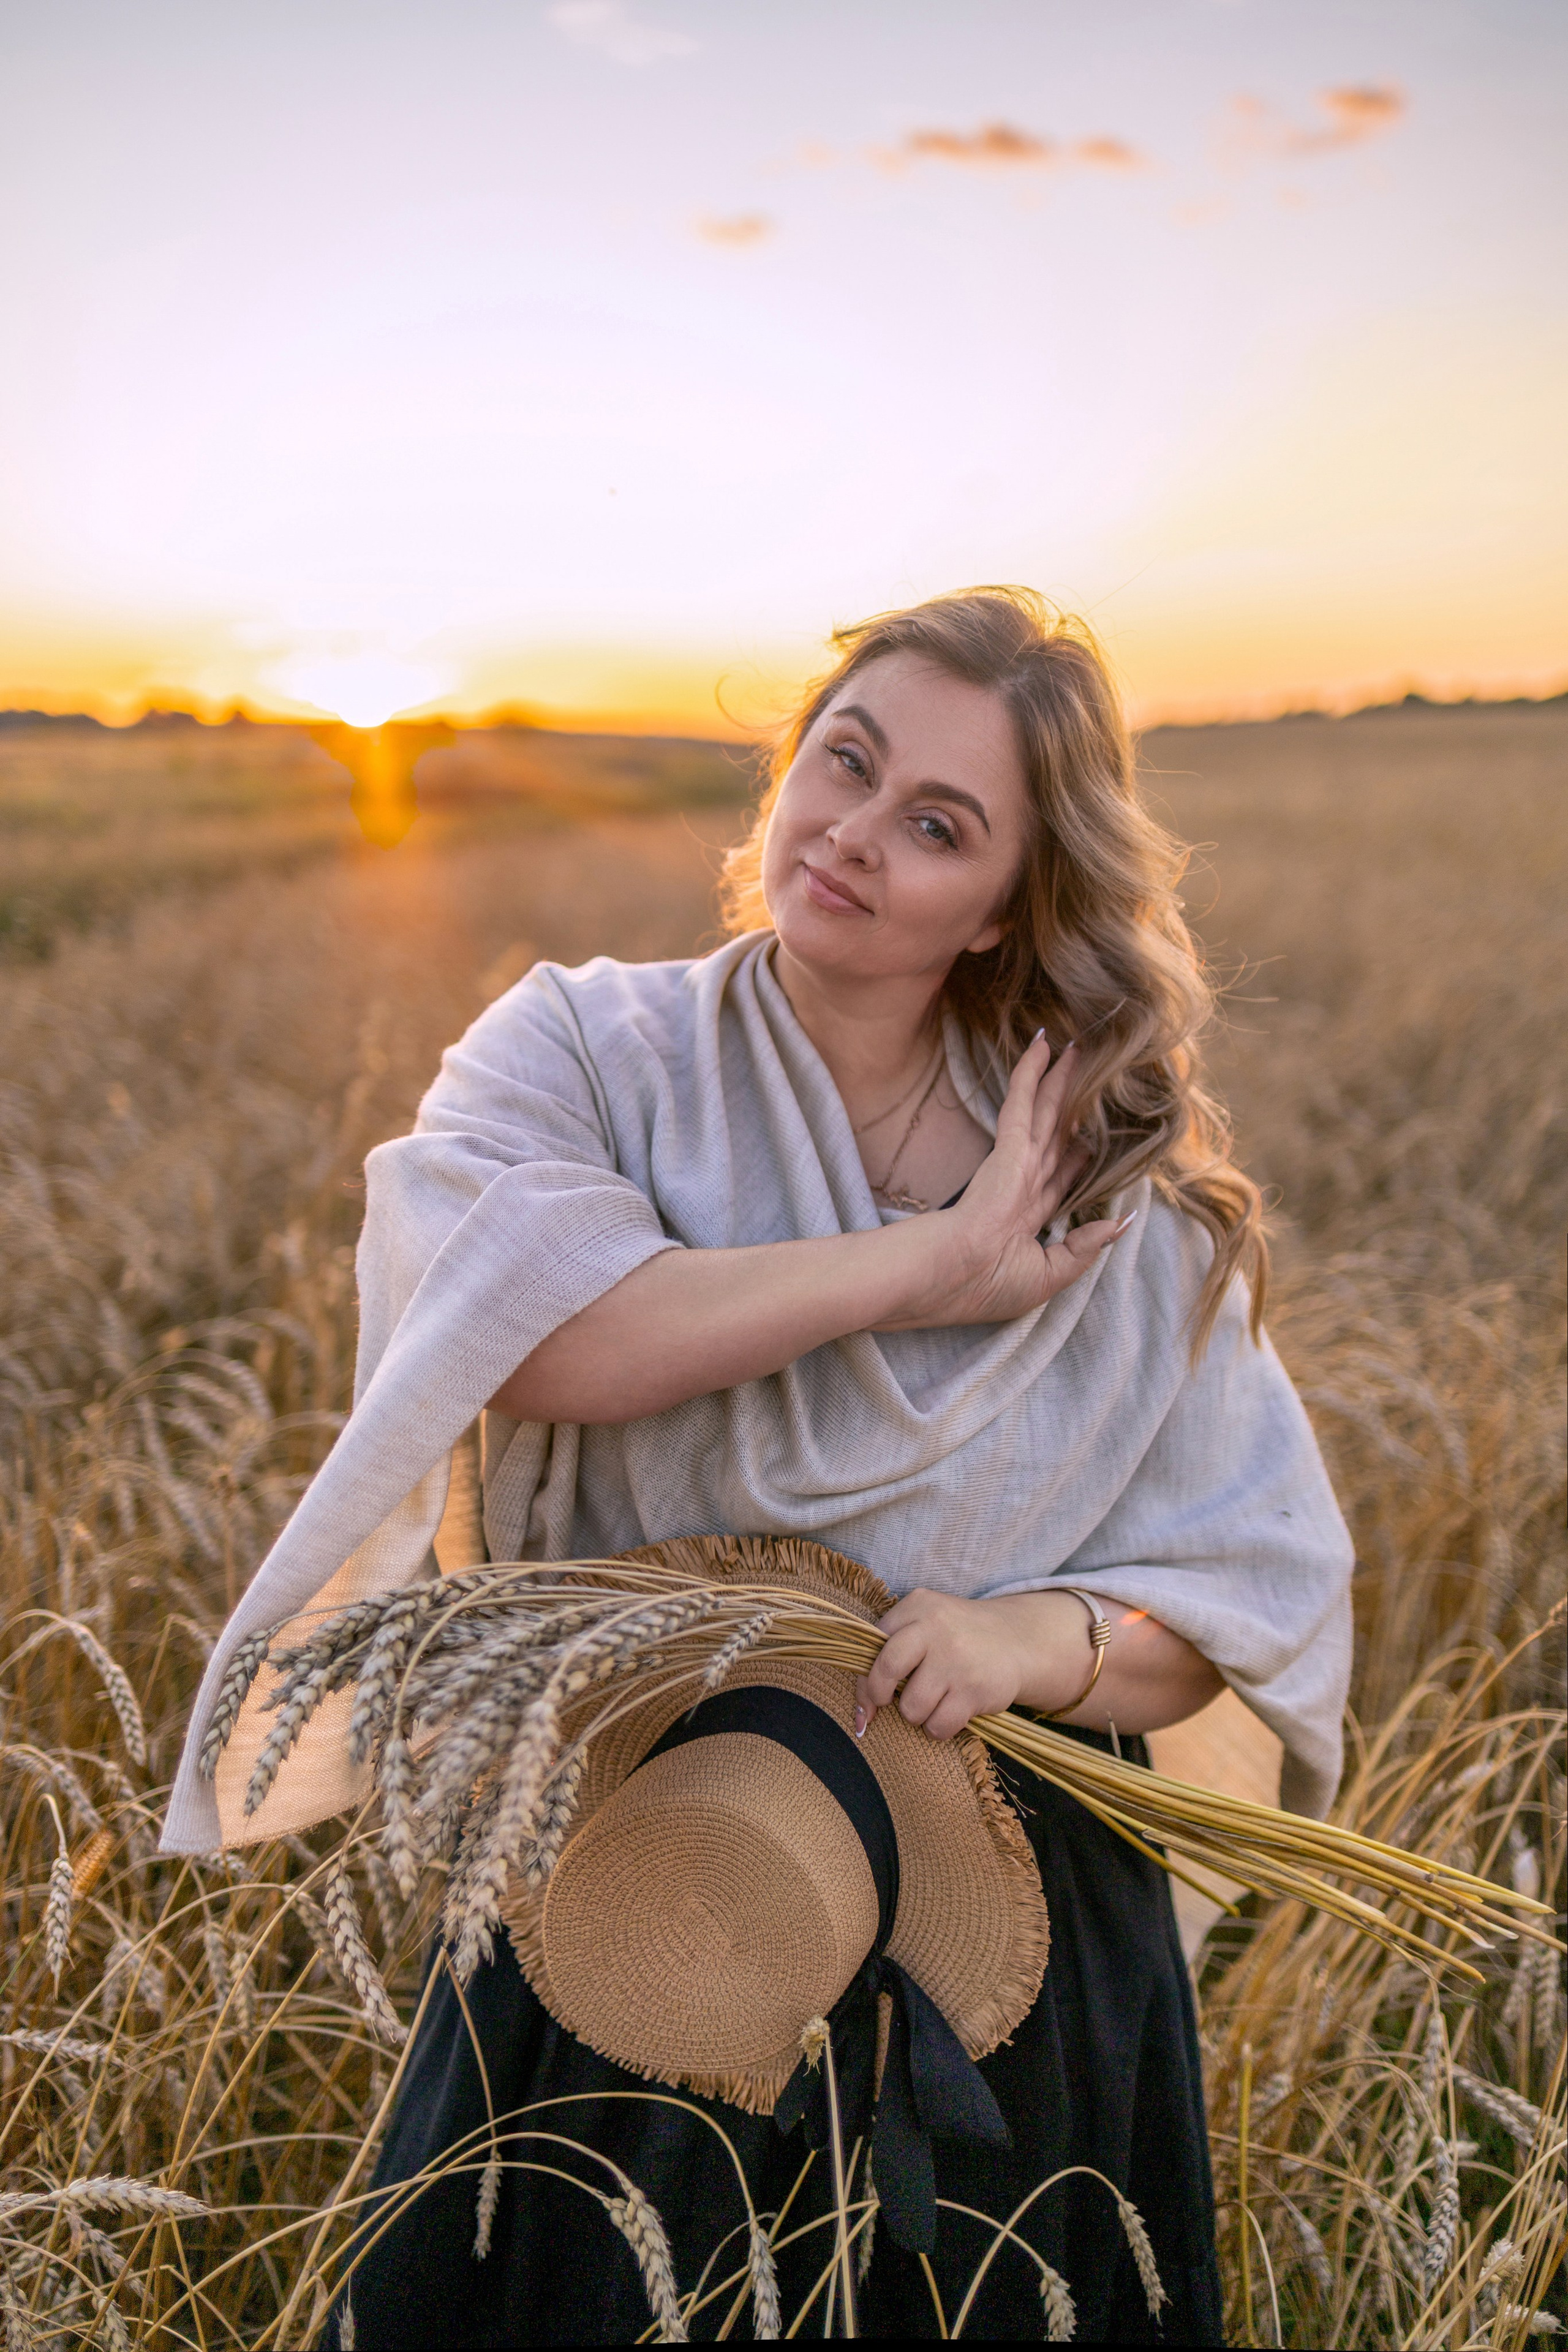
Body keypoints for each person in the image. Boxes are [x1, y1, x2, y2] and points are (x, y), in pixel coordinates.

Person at [165, 586, 1354, 2342]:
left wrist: (1030, 1642)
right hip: (646, 1869)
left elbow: (1238, 1600)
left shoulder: (1108, 1200)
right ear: (789, 765)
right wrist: (928, 1268)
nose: (855, 834)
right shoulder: (587, 1050)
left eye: (938, 825)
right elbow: (541, 1337)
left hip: (997, 1927)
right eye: (846, 763)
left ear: (1006, 906)